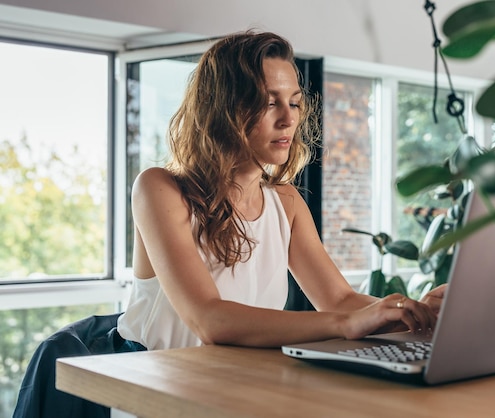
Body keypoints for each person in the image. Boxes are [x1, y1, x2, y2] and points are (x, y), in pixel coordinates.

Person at [116, 30, 446, 351]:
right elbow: (209, 318)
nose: (289, 119)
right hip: (153, 382)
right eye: (269, 103)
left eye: (295, 103)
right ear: (223, 109)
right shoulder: (160, 188)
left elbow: (339, 300)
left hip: (234, 381)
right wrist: (344, 324)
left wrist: (413, 312)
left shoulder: (286, 202)